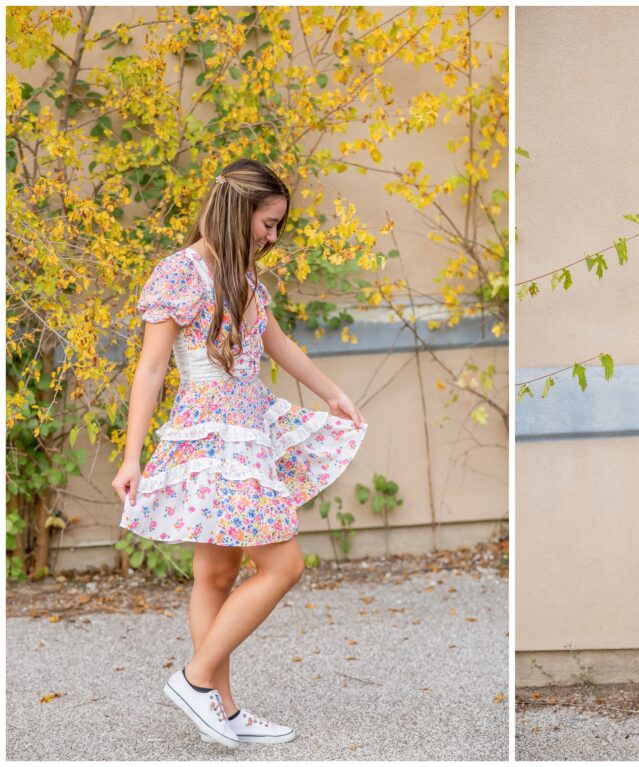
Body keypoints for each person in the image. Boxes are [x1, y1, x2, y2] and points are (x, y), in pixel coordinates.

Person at [111, 158, 368, 748]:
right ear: (237, 211)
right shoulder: (179, 274)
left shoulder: (246, 279)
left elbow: (278, 345)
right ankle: (196, 680)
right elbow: (151, 369)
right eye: (268, 223)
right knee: (283, 565)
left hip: (249, 427)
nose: (272, 237)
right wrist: (132, 456)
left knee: (218, 573)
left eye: (278, 226)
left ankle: (222, 711)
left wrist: (332, 394)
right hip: (213, 434)